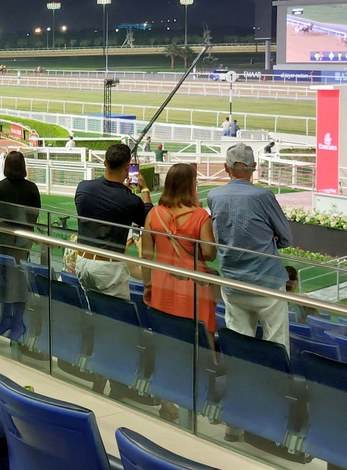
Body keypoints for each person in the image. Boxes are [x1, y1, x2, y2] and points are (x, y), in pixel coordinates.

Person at [207, 143, 292, 348]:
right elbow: (286, 238)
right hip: (267, 282)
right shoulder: (263, 196)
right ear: (253, 166)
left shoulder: (214, 196)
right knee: (277, 344)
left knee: (238, 345)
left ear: (226, 168)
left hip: (233, 282)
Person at [139, 163, 218, 334]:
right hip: (194, 282)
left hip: (162, 282)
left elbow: (146, 255)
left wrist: (147, 285)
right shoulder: (200, 216)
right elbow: (209, 253)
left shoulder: (153, 213)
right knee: (200, 334)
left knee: (166, 331)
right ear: (190, 185)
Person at [74, 143, 152, 299]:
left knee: (90, 308)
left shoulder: (83, 187)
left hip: (82, 261)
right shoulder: (129, 200)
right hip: (107, 268)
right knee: (118, 313)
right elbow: (149, 220)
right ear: (128, 168)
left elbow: (104, 204)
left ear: (105, 162)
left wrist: (122, 191)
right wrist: (144, 190)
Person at [0, 151, 41, 341]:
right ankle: (12, 319)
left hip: (3, 238)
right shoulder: (31, 188)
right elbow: (34, 215)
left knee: (5, 277)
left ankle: (14, 320)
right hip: (22, 241)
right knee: (16, 278)